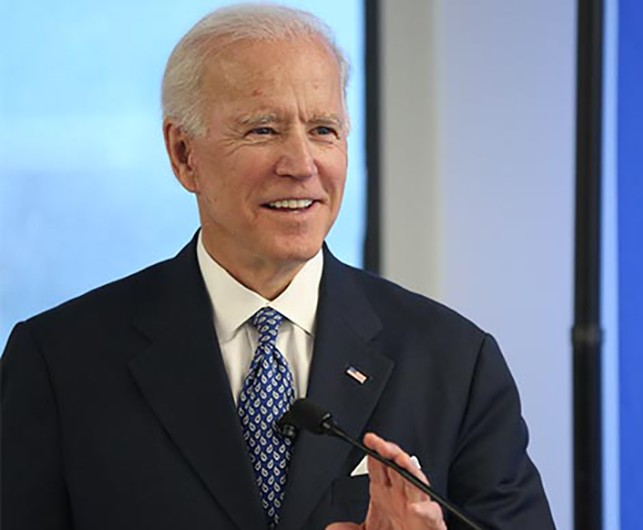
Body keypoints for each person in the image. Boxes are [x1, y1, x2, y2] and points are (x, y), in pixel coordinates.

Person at [0, 4, 556, 530]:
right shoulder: (59, 362)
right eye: (262, 130)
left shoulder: (455, 362)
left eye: (323, 130)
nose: (301, 165)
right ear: (183, 155)